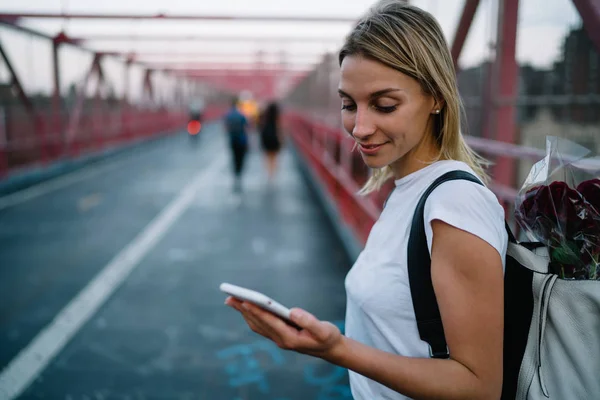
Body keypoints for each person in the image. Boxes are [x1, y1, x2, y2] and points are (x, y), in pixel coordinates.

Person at [225, 1, 508, 399]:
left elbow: (480, 388)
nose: (359, 127)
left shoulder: (455, 204)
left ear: (436, 98)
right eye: (348, 104)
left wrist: (338, 350)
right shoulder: (408, 189)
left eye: (384, 105)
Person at [223, 96, 249, 193]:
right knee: (241, 157)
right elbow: (247, 128)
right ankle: (239, 173)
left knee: (234, 157)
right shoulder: (242, 115)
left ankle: (235, 174)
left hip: (232, 140)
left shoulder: (228, 115)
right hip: (242, 140)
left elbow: (225, 128)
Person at [258, 101, 283, 182]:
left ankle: (269, 172)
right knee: (274, 157)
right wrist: (281, 139)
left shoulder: (265, 115)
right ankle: (272, 173)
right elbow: (279, 128)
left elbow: (261, 126)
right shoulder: (277, 116)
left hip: (266, 138)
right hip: (274, 138)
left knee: (267, 156)